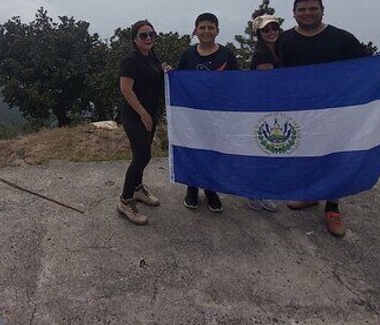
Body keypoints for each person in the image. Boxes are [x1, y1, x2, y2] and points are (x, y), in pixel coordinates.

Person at [278, 0, 371, 237]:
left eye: (312, 8)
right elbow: (272, 73)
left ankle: (333, 208)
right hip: (299, 111)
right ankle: (310, 194)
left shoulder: (342, 39)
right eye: (302, 9)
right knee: (306, 154)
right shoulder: (284, 40)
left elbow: (369, 67)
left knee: (333, 157)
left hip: (334, 110)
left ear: (322, 10)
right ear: (294, 12)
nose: (307, 13)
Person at [176, 12, 238, 213]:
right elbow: (179, 81)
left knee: (214, 153)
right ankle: (192, 188)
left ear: (217, 31)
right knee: (193, 150)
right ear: (196, 30)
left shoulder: (227, 55)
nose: (206, 31)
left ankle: (211, 189)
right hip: (193, 115)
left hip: (218, 115)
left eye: (210, 27)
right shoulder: (187, 54)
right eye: (202, 27)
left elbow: (236, 83)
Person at [117, 20, 166, 225]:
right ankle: (125, 201)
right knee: (141, 156)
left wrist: (164, 69)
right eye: (143, 35)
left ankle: (137, 189)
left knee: (144, 155)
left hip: (149, 114)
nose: (148, 39)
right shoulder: (130, 60)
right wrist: (143, 113)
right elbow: (125, 89)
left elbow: (154, 75)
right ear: (134, 39)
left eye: (151, 34)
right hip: (134, 115)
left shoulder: (151, 56)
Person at [246, 14, 281, 212]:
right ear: (259, 33)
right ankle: (255, 191)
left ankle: (261, 190)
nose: (271, 32)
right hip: (265, 109)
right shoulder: (263, 54)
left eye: (274, 28)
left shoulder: (277, 50)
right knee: (263, 151)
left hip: (275, 108)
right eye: (266, 29)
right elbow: (267, 86)